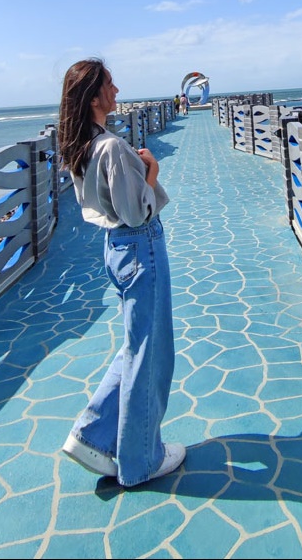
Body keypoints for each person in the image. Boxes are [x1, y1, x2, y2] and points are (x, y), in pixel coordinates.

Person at [58, 58, 185, 486]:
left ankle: (92, 435)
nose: (117, 90)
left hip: (117, 250)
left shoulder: (84, 144)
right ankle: (141, 461)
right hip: (140, 245)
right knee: (152, 352)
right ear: (93, 96)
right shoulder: (110, 146)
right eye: (109, 85)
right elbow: (135, 211)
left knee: (136, 346)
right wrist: (151, 171)